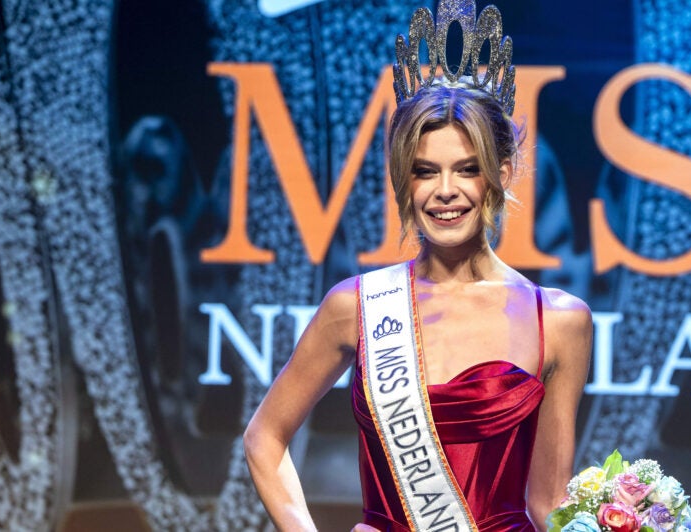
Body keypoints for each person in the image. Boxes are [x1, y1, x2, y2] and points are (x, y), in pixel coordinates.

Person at [243, 2, 592, 530]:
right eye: (425, 171)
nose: (445, 191)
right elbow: (263, 438)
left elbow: (548, 504)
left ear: (499, 173)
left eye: (467, 170)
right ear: (404, 181)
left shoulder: (560, 322)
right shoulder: (355, 306)